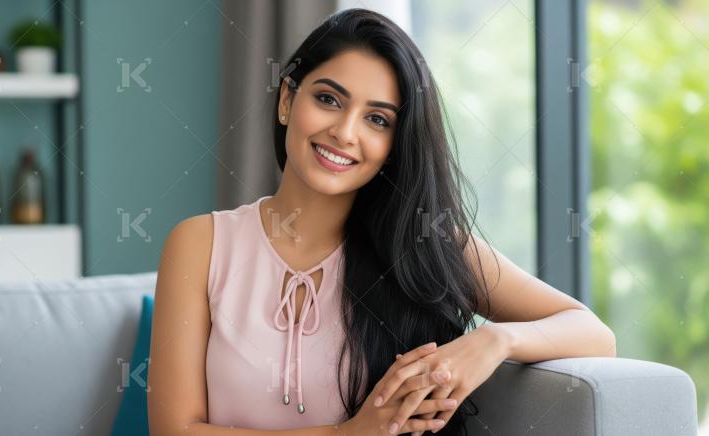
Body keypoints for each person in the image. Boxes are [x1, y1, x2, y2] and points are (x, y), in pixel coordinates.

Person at [148, 8, 616, 436]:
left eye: (376, 119)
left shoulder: (424, 245)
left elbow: (593, 332)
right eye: (329, 99)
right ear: (287, 100)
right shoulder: (199, 244)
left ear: (395, 143)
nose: (345, 133)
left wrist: (495, 339)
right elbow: (174, 430)